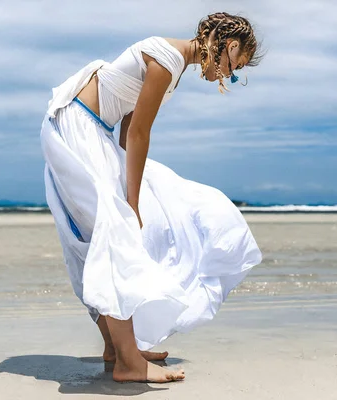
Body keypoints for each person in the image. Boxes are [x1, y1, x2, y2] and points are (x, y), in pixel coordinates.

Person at [40, 12, 264, 383]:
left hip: (89, 129)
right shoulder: (168, 60)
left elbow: (129, 128)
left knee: (113, 231)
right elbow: (139, 133)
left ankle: (117, 347)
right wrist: (132, 202)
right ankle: (129, 363)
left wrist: (139, 193)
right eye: (233, 67)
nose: (228, 76)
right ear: (229, 45)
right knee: (116, 232)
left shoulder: (171, 66)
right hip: (77, 128)